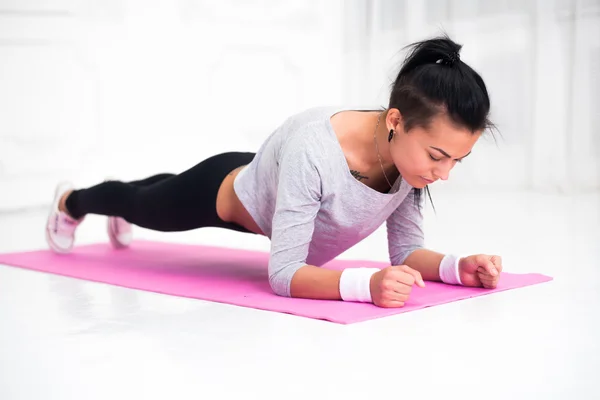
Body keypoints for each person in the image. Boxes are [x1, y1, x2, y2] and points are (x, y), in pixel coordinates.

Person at [45, 34, 503, 308]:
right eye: (438, 156)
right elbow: (284, 274)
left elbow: (405, 251)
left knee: (151, 191)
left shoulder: (409, 161)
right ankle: (71, 202)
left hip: (273, 186)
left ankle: (122, 202)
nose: (444, 174)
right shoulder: (315, 148)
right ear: (396, 121)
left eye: (456, 161)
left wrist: (459, 268)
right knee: (141, 203)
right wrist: (367, 285)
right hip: (225, 195)